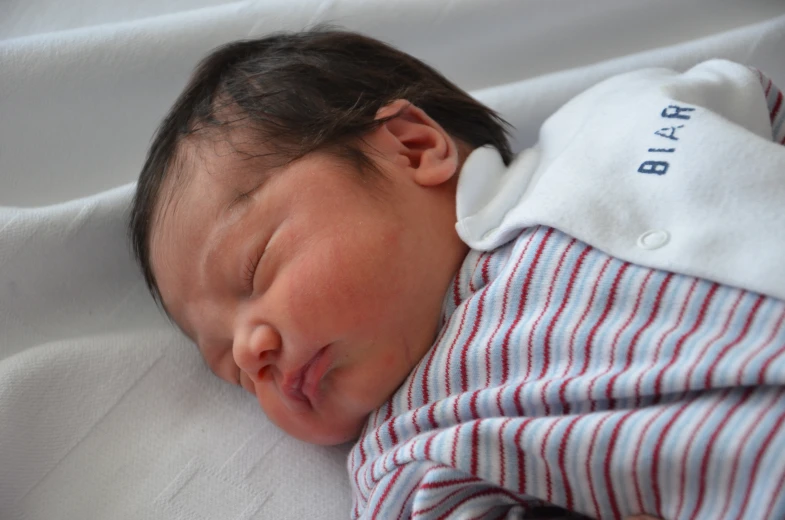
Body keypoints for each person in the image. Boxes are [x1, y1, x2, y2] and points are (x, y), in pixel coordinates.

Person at [128, 28, 785, 519]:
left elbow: (756, 104)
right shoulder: (407, 449)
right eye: (234, 373)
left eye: (256, 268)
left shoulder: (611, 123)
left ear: (413, 148)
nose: (252, 350)